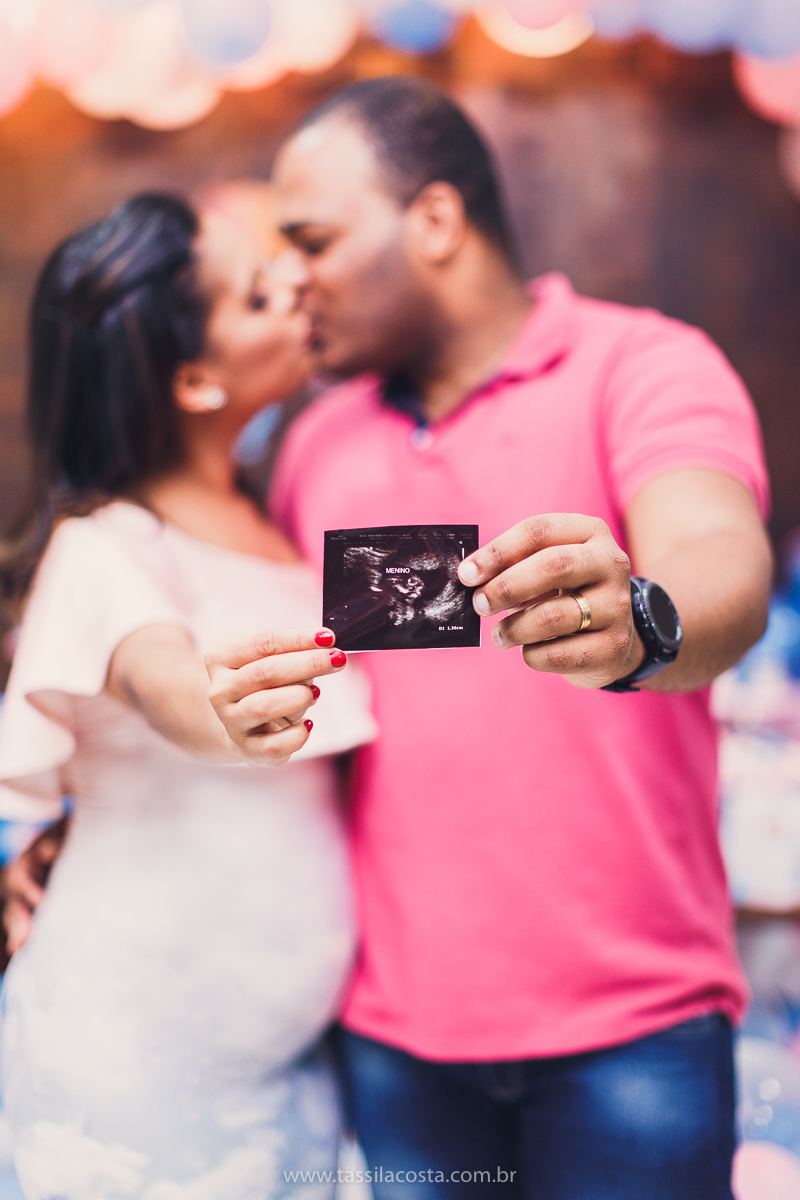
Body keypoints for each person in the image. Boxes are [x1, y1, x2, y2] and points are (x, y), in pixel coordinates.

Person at [4, 78, 774, 1198]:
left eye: (312, 241)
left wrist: (646, 618)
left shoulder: (640, 366)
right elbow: (181, 638)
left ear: (433, 221)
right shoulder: (316, 445)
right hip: (395, 1049)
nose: (293, 279)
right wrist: (82, 830)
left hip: (632, 1031)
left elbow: (721, 563)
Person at [0, 192, 376, 1198]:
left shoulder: (293, 526)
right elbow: (171, 680)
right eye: (258, 294)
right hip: (134, 1077)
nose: (294, 287)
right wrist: (223, 711)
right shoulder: (107, 550)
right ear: (196, 379)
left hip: (292, 1076)